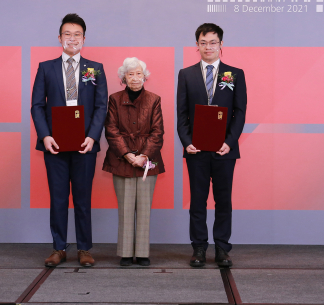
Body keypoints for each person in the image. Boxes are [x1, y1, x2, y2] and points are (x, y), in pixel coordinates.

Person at [31, 13, 108, 267]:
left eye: (77, 34)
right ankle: (59, 247)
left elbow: (100, 107)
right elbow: (36, 106)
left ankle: (84, 249)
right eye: (67, 34)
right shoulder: (46, 68)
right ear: (59, 38)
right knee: (58, 197)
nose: (72, 38)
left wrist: (92, 136)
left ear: (84, 39)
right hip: (55, 144)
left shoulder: (95, 68)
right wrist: (45, 136)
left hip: (85, 144)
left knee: (83, 197)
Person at [176, 23, 247, 267]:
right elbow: (181, 114)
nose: (208, 47)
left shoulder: (234, 74)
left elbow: (240, 112)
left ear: (221, 44)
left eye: (213, 42)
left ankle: (222, 249)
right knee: (197, 201)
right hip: (196, 150)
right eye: (203, 42)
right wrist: (187, 142)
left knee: (223, 200)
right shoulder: (186, 74)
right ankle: (198, 248)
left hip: (224, 150)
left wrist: (229, 142)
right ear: (197, 45)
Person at [102, 57, 165, 267]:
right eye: (130, 74)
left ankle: (143, 253)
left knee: (144, 208)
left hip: (148, 160)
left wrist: (144, 155)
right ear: (123, 78)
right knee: (126, 208)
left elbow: (158, 132)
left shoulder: (154, 99)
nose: (135, 78)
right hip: (121, 160)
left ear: (145, 76)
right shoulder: (114, 99)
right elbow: (111, 130)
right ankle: (126, 253)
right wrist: (128, 154)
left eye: (139, 74)